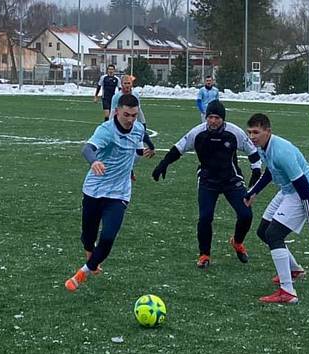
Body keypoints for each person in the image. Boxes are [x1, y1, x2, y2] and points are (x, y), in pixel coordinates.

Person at [152, 100, 262, 269]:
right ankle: (204, 254)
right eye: (210, 117)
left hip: (231, 179)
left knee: (246, 214)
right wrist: (163, 164)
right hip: (207, 180)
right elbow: (179, 148)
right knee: (205, 217)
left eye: (217, 117)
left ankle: (238, 242)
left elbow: (252, 151)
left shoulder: (234, 133)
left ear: (223, 119)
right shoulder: (198, 133)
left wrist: (256, 171)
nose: (213, 121)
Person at [65, 94, 153, 292]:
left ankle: (83, 273)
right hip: (94, 190)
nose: (130, 120)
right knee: (88, 236)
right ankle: (90, 254)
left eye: (134, 115)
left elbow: (136, 150)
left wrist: (137, 160)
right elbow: (87, 149)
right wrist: (94, 161)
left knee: (108, 236)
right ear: (117, 111)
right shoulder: (106, 130)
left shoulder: (138, 129)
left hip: (119, 194)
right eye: (126, 115)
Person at [244, 113, 309, 304]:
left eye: (256, 132)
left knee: (274, 235)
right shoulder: (264, 146)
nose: (252, 137)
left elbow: (304, 188)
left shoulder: (281, 151)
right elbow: (270, 172)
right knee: (264, 231)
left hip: (305, 193)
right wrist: (252, 192)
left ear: (268, 131)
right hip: (289, 190)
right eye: (250, 132)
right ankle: (295, 270)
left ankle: (288, 292)